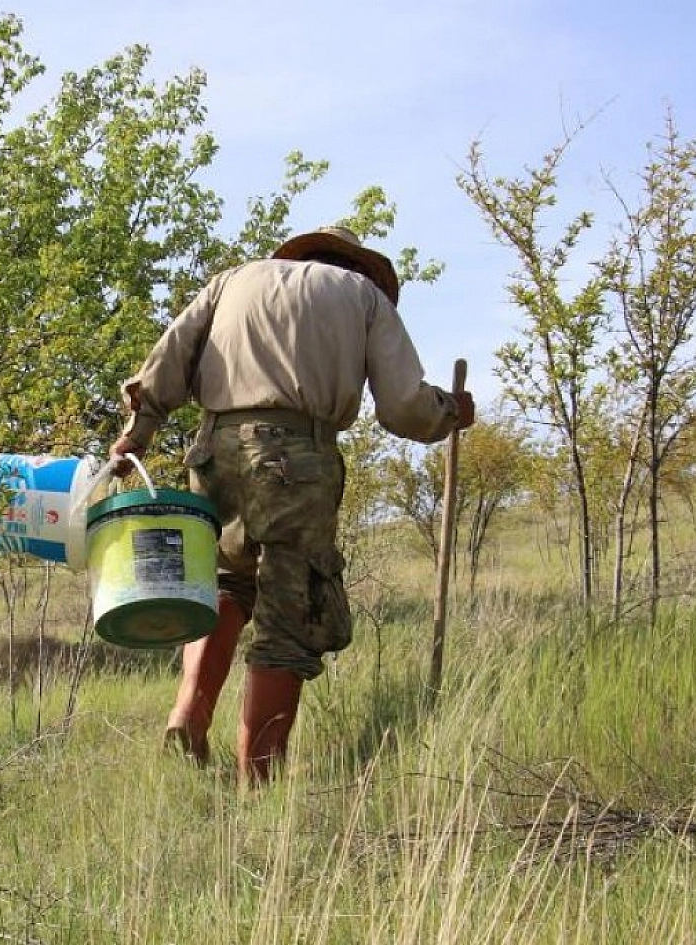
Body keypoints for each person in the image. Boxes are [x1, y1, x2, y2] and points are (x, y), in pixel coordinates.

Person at [109, 224, 474, 786]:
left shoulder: (232, 280)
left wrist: (139, 432)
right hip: (294, 458)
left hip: (213, 449)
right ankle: (259, 779)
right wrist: (449, 411)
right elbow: (403, 407)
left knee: (227, 583)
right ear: (358, 265)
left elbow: (168, 361)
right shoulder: (363, 296)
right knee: (290, 606)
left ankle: (189, 714)